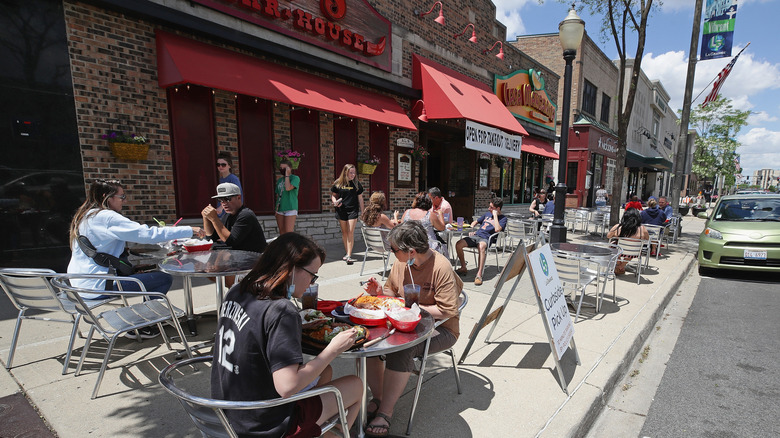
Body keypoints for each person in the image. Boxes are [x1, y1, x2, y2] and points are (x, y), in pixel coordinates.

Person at [211, 233, 362, 437]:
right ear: (291, 269)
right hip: (265, 424)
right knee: (355, 385)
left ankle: (319, 429)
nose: (311, 283)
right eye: (312, 275)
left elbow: (254, 333)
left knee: (324, 373)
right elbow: (287, 387)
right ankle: (332, 432)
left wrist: (298, 327)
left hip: (228, 411)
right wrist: (333, 349)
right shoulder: (282, 310)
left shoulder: (237, 291)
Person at [361, 222, 462, 437]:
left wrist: (411, 309)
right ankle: (379, 397)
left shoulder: (440, 267)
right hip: (405, 326)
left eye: (394, 249)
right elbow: (391, 294)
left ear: (412, 251)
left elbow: (447, 310)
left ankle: (385, 413)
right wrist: (379, 293)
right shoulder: (401, 263)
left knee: (403, 348)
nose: (392, 252)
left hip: (441, 329)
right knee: (369, 340)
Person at [67, 179, 203, 337]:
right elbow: (147, 234)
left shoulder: (85, 216)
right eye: (122, 197)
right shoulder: (106, 217)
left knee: (149, 274)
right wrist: (189, 230)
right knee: (163, 278)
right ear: (106, 197)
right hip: (98, 286)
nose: (125, 201)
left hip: (79, 284)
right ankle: (142, 325)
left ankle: (146, 319)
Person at [454, 197, 507, 286]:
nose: (489, 209)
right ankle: (463, 267)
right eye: (489, 206)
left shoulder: (503, 218)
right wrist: (471, 227)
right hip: (476, 236)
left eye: (491, 207)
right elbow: (475, 222)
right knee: (458, 244)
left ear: (498, 209)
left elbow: (497, 229)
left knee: (481, 247)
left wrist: (495, 216)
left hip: (486, 238)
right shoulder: (487, 214)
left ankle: (479, 275)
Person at [202, 183, 268, 253]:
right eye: (220, 200)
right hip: (238, 256)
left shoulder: (246, 215)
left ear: (238, 197)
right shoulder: (227, 216)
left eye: (227, 199)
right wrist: (206, 217)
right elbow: (211, 239)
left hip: (253, 257)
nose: (224, 203)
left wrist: (214, 219)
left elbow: (231, 241)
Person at [331, 164, 364, 265]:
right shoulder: (338, 183)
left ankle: (349, 255)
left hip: (353, 210)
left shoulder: (357, 184)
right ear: (345, 172)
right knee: (344, 232)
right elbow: (333, 196)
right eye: (351, 172)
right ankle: (347, 253)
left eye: (354, 173)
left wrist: (363, 212)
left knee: (350, 232)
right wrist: (335, 202)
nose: (353, 175)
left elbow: (360, 199)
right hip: (341, 210)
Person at [400, 192, 446, 256]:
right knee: (443, 246)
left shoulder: (406, 212)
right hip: (427, 247)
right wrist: (440, 214)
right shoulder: (430, 215)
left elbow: (401, 228)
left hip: (409, 245)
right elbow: (442, 228)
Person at [607, 208, 649, 274]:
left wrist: (616, 235)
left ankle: (618, 265)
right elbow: (647, 239)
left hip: (620, 251)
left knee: (613, 245)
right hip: (634, 253)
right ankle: (622, 266)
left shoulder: (618, 227)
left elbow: (608, 236)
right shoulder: (642, 228)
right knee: (634, 247)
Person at [275, 159, 300, 234]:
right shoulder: (280, 180)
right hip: (280, 208)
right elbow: (278, 194)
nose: (282, 169)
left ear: (290, 168)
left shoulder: (295, 178)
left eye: (284, 168)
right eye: (281, 168)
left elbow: (288, 188)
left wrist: (287, 175)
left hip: (290, 207)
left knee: (288, 233)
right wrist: (276, 208)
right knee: (282, 233)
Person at [216, 152, 242, 219]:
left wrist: (221, 208)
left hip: (231, 214)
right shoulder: (220, 180)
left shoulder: (233, 179)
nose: (220, 167)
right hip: (221, 215)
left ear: (229, 165)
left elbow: (237, 197)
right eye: (218, 165)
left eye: (223, 165)